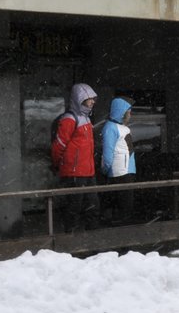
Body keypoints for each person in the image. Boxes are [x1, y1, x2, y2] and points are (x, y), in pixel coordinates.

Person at [50, 83, 99, 233]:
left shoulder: (86, 118)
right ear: (79, 99)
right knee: (75, 206)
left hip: (87, 171)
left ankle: (91, 237)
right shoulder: (69, 119)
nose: (92, 102)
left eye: (92, 99)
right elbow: (59, 144)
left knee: (92, 205)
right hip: (74, 171)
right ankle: (70, 238)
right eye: (88, 99)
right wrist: (57, 164)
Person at [99, 97, 137, 225]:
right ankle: (120, 234)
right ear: (122, 112)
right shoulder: (110, 128)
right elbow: (108, 154)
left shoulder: (123, 127)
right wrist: (105, 170)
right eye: (129, 112)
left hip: (127, 171)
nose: (130, 115)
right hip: (119, 173)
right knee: (123, 207)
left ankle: (124, 232)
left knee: (126, 206)